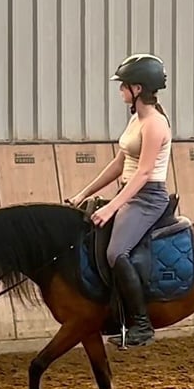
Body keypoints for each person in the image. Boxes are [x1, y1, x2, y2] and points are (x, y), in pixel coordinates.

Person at [66, 53, 172, 348]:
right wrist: (84, 193)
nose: (120, 91)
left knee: (116, 253)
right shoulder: (136, 121)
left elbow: (144, 173)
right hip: (129, 193)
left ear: (137, 89)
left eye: (123, 85)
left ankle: (141, 324)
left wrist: (113, 207)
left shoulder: (155, 124)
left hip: (147, 198)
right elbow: (118, 164)